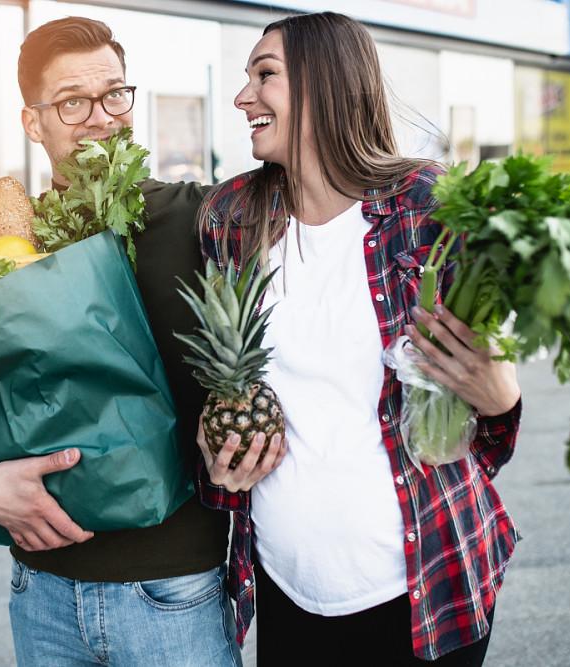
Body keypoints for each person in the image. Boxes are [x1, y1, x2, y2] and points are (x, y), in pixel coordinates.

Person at [0, 17, 281, 666]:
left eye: (115, 94)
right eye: (71, 102)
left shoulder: (202, 218)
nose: (101, 117)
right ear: (32, 122)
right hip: (39, 595)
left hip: (173, 594)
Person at [196, 12, 523, 665]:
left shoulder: (429, 203)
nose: (242, 97)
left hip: (425, 582)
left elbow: (485, 419)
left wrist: (501, 397)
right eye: (245, 78)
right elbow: (225, 391)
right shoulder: (230, 217)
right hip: (286, 585)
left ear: (326, 87)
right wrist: (219, 455)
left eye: (266, 76)